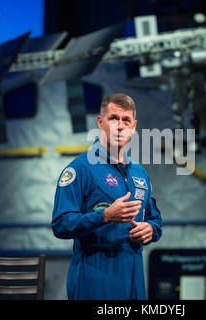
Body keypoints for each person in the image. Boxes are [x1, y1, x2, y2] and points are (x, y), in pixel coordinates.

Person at [51, 93, 162, 300]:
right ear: (100, 123)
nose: (120, 126)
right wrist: (104, 216)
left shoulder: (140, 173)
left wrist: (151, 229)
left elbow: (154, 219)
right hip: (95, 278)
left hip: (135, 278)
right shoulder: (80, 169)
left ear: (133, 126)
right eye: (113, 118)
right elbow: (60, 224)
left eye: (126, 120)